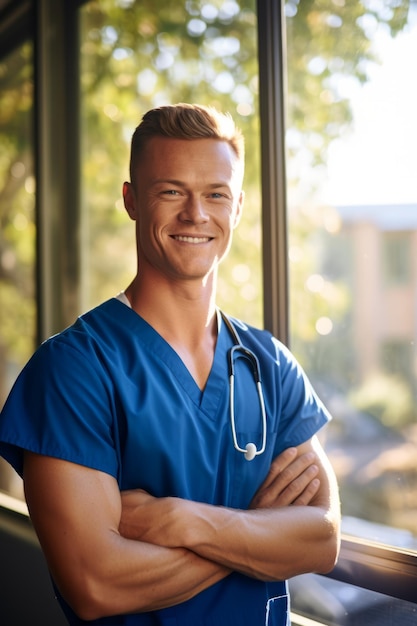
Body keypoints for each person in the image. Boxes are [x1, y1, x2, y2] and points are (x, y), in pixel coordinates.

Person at [0, 103, 340, 625]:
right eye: (171, 191)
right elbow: (96, 583)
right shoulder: (73, 369)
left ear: (239, 207)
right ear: (132, 200)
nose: (195, 214)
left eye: (215, 195)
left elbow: (321, 540)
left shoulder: (269, 364)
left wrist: (186, 522)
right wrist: (259, 529)